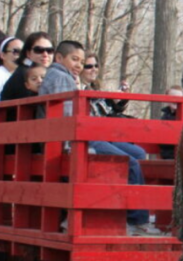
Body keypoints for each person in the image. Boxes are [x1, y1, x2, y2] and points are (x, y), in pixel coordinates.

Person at [39, 41, 160, 236]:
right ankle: (135, 220)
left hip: (85, 134)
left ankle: (131, 212)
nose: (79, 65)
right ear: (60, 58)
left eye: (81, 61)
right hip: (76, 139)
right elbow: (69, 115)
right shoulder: (61, 78)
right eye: (75, 60)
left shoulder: (64, 77)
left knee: (137, 153)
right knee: (130, 163)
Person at [0, 32, 54, 102]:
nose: (45, 54)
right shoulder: (24, 73)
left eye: (50, 50)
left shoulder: (53, 73)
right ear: (28, 53)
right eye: (39, 50)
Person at [159, 85, 183, 159]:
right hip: (167, 154)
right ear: (167, 99)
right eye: (172, 97)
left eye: (179, 97)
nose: (175, 100)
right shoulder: (165, 116)